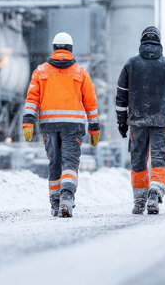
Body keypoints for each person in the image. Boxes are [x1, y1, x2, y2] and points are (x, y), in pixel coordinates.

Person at [22, 32, 100, 217]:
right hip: (73, 127)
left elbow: (32, 98)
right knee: (70, 163)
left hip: (49, 126)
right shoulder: (80, 73)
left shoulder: (40, 71)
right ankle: (67, 197)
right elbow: (91, 102)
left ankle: (55, 202)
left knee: (54, 163)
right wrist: (94, 127)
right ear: (70, 49)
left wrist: (28, 122)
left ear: (54, 48)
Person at [116, 26, 165, 215]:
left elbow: (121, 96)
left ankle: (139, 202)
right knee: (159, 161)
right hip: (162, 122)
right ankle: (154, 193)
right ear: (158, 42)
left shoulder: (130, 65)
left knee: (138, 162)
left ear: (142, 42)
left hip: (137, 123)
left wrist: (121, 121)